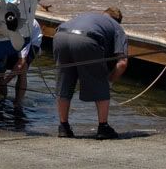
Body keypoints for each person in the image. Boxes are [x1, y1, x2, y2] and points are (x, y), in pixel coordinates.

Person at [53, 7, 129, 140]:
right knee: (100, 81)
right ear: (118, 20)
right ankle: (103, 127)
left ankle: (63, 127)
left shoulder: (90, 16)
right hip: (86, 39)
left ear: (104, 14)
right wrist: (109, 81)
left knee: (64, 81)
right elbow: (122, 63)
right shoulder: (117, 27)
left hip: (60, 36)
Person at [0, 19, 42, 106]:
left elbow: (21, 62)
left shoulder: (24, 32)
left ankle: (18, 103)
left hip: (32, 42)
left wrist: (6, 81)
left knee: (23, 70)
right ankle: (0, 98)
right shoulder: (1, 26)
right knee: (0, 67)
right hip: (10, 39)